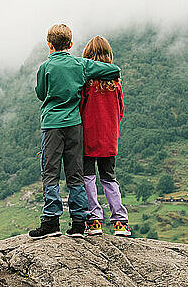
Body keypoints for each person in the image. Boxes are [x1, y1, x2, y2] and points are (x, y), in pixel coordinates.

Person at [29, 24, 121, 239]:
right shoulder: (80, 64)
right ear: (70, 45)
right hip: (74, 125)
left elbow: (41, 94)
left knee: (50, 171)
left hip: (52, 124)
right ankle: (79, 223)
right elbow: (114, 70)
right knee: (76, 172)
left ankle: (51, 220)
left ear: (49, 44)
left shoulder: (45, 68)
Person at [80, 35, 131, 237]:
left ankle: (94, 221)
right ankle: (120, 221)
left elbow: (80, 108)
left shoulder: (87, 84)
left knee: (88, 177)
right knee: (109, 178)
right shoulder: (115, 84)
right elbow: (121, 111)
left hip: (88, 137)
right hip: (109, 138)